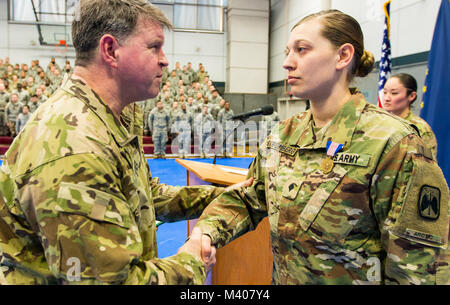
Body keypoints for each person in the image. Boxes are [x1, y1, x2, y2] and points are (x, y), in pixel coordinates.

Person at [0, 0, 250, 285]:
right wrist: (193, 257)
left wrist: (224, 195)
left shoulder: (116, 113)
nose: (165, 59)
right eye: (153, 46)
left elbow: (144, 196)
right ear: (111, 50)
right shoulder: (76, 149)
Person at [192, 9, 449, 284]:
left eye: (302, 50)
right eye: (287, 52)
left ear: (343, 56)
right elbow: (250, 197)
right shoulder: (283, 135)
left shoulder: (395, 143)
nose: (288, 63)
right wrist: (205, 232)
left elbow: (418, 269)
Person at [383, 73, 438, 160]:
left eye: (394, 93)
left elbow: (428, 167)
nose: (386, 98)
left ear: (411, 96)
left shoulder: (420, 128)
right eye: (385, 92)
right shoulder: (381, 124)